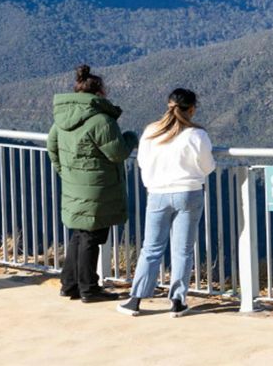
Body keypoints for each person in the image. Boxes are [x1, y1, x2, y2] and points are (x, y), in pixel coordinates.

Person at [118, 88, 215, 318]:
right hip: (189, 193)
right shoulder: (197, 135)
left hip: (158, 193)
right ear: (192, 109)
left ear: (168, 105)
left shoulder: (151, 132)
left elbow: (142, 161)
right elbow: (208, 166)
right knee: (182, 250)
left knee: (151, 248)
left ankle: (135, 300)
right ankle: (178, 302)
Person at [47, 64, 138, 303]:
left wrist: (66, 173)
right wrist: (131, 137)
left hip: (73, 185)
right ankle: (89, 288)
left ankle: (69, 284)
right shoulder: (101, 121)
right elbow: (117, 153)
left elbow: (52, 148)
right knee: (92, 237)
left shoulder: (61, 119)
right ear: (100, 92)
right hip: (98, 187)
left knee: (80, 234)